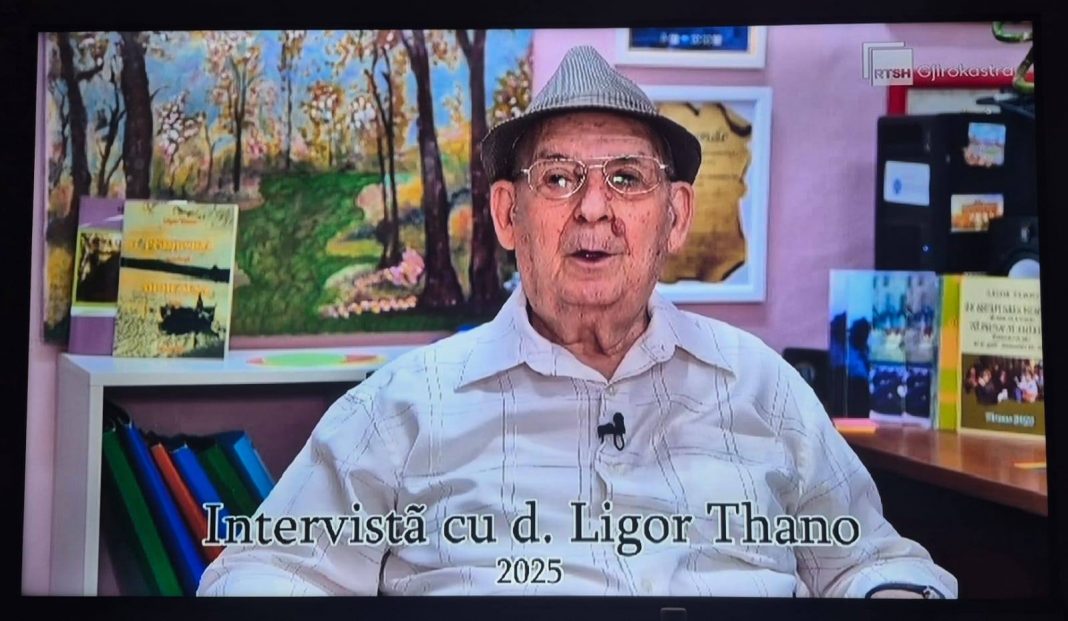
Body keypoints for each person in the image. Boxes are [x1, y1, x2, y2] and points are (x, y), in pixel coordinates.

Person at [197, 46, 956, 599]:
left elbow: (873, 562)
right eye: (558, 178)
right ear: (508, 214)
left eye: (626, 178)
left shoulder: (762, 387)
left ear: (675, 215)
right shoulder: (401, 407)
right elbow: (262, 573)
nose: (594, 209)